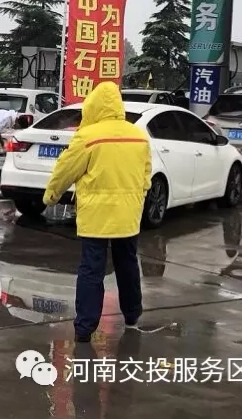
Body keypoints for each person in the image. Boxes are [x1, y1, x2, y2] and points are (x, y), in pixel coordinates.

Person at [42, 82, 152, 341]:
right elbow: (146, 174)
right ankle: (132, 315)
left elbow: (66, 169)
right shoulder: (138, 135)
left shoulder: (88, 136)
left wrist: (51, 195)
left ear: (93, 106)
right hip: (128, 213)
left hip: (96, 215)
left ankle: (84, 328)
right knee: (127, 263)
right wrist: (138, 196)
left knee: (92, 269)